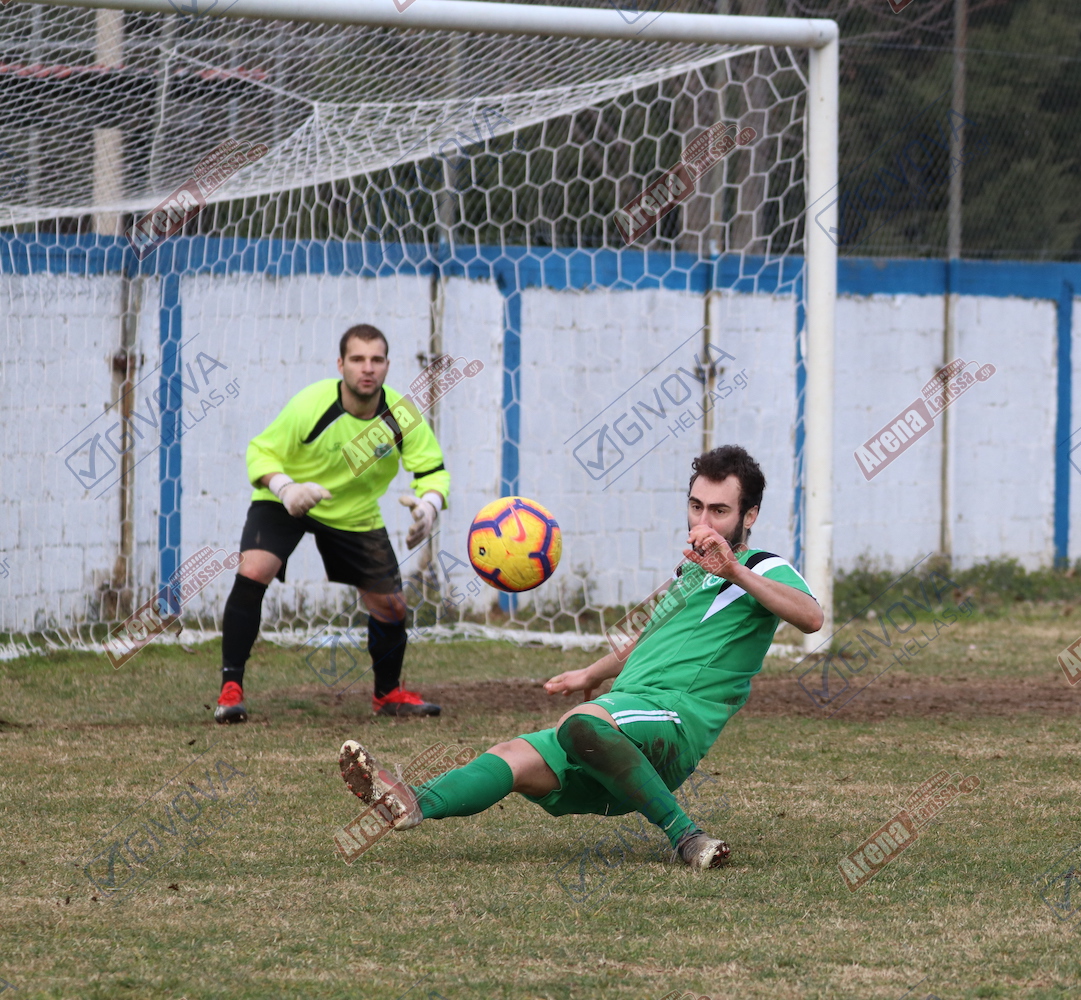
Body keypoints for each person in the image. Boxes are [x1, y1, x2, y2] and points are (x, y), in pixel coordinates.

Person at [337, 445, 823, 868]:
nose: (703, 523)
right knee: (511, 757)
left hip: (672, 722)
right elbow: (643, 640)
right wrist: (591, 673)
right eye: (696, 506)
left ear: (749, 516)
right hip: (623, 717)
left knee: (579, 722)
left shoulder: (761, 567)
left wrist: (736, 572)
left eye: (719, 511)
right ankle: (412, 802)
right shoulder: (688, 573)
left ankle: (687, 837)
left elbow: (811, 617)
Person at [214, 324, 448, 724]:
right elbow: (261, 452)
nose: (367, 368)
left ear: (387, 365)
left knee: (392, 607)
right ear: (341, 364)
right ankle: (230, 690)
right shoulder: (311, 404)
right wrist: (286, 488)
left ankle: (388, 695)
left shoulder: (401, 415)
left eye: (376, 360)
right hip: (287, 499)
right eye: (357, 359)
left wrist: (429, 506)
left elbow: (432, 470)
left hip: (354, 512)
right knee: (254, 570)